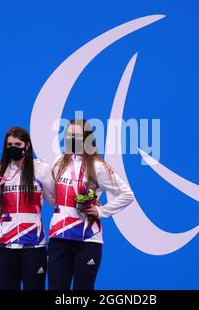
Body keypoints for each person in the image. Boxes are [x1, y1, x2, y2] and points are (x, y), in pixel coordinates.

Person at [48, 118, 135, 290]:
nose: (72, 139)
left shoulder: (98, 166)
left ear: (88, 138)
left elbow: (127, 194)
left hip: (87, 238)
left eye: (77, 135)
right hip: (59, 236)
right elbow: (52, 195)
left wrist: (100, 211)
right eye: (69, 135)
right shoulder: (58, 162)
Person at [0, 127, 54, 290]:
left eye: (17, 144)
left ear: (27, 146)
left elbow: (55, 202)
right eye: (9, 144)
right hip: (4, 244)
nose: (13, 147)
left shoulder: (41, 170)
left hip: (34, 244)